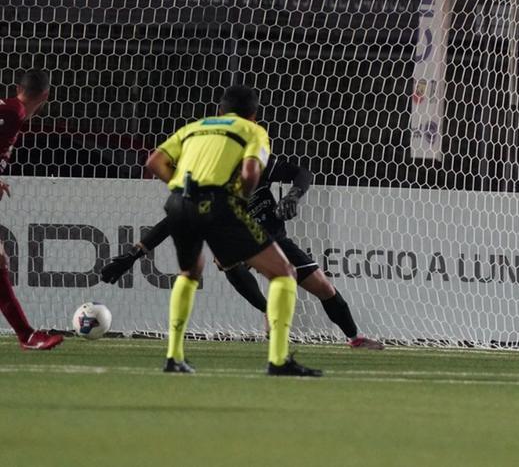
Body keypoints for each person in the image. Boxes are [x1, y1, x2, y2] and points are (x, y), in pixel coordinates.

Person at [100, 157, 383, 349]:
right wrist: (134, 254)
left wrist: (293, 195)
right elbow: (171, 222)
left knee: (324, 288)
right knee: (225, 255)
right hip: (238, 243)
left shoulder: (255, 163)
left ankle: (355, 338)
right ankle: (268, 313)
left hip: (274, 239)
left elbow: (302, 173)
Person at [146, 85, 320, 376]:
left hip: (179, 202)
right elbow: (251, 172)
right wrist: (238, 197)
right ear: (253, 115)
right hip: (219, 203)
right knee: (283, 272)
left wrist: (182, 187)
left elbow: (154, 162)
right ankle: (278, 360)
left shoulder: (194, 128)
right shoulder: (253, 131)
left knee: (189, 273)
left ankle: (174, 357)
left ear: (220, 111)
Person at [0, 70, 64, 350]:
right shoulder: (13, 113)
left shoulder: (11, 110)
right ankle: (26, 335)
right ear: (46, 96)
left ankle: (26, 334)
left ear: (18, 87)